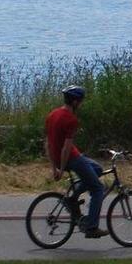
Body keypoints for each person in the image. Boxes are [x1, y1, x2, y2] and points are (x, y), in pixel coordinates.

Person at [44, 85, 106, 238]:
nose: (82, 104)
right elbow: (66, 148)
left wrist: (54, 167)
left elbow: (47, 143)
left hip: (67, 157)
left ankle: (72, 198)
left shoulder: (52, 114)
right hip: (71, 159)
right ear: (75, 102)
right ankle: (92, 227)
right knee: (98, 189)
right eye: (81, 101)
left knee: (98, 169)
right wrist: (62, 168)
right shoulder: (71, 120)